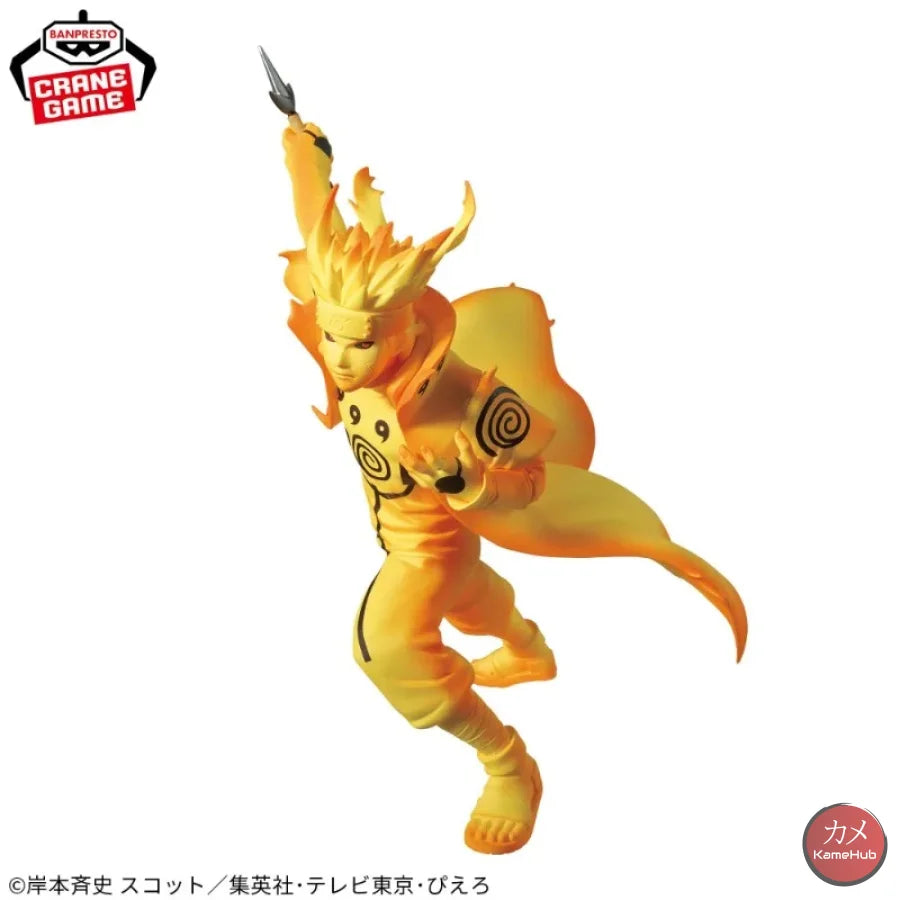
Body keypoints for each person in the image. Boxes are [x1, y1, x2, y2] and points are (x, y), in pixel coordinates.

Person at [274, 112, 747, 855]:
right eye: (331, 335)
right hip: (415, 535)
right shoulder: (350, 319)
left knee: (386, 649)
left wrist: (469, 482)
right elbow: (318, 230)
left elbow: (532, 477)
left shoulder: (468, 398)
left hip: (427, 543)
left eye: (359, 342)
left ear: (406, 325)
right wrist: (305, 157)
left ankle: (508, 765)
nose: (339, 358)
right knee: (465, 593)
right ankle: (527, 648)